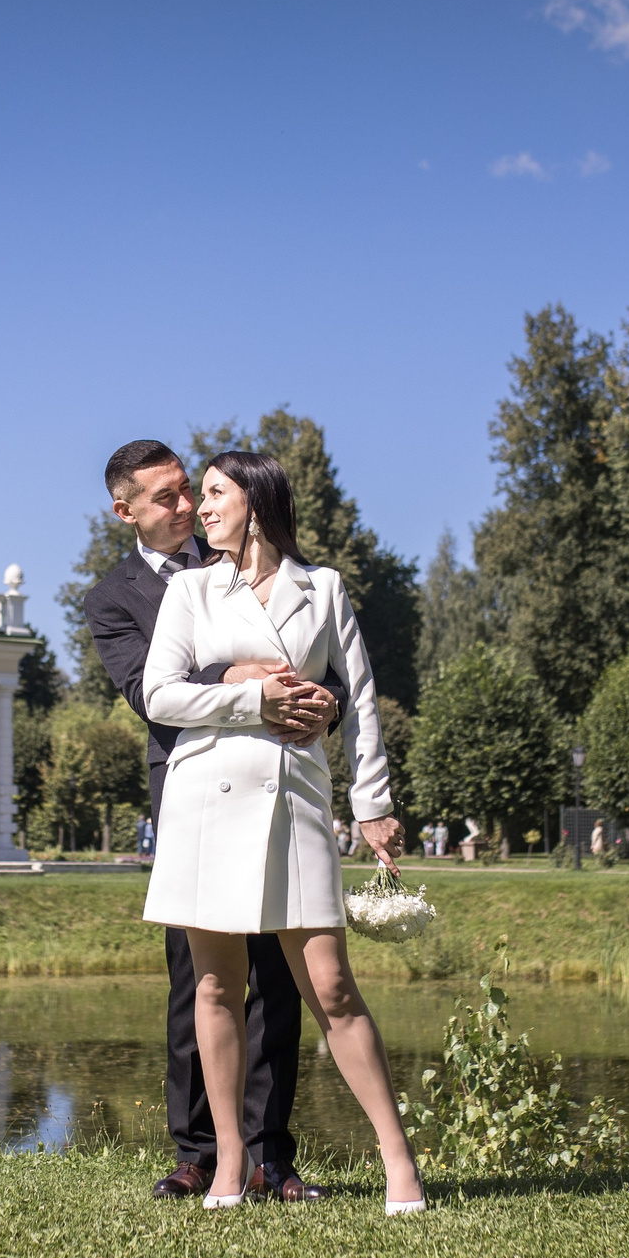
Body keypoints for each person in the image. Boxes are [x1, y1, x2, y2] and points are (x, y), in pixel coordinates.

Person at [142, 449, 425, 1214]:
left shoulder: (322, 588)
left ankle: (398, 1160)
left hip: (297, 797)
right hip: (206, 797)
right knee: (213, 985)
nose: (200, 508)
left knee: (331, 983)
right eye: (201, 495)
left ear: (256, 504)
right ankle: (230, 1156)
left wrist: (372, 805)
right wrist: (253, 699)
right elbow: (159, 694)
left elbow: (360, 700)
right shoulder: (193, 589)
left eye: (214, 494)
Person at [83, 439, 342, 1203]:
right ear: (123, 510)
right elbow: (144, 687)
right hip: (193, 796)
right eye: (164, 497)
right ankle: (197, 1151)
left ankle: (271, 1157)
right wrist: (233, 676)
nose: (187, 506)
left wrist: (328, 700)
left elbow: (321, 654)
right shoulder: (114, 597)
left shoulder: (247, 557)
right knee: (197, 980)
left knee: (278, 977)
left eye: (186, 491)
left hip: (278, 785)